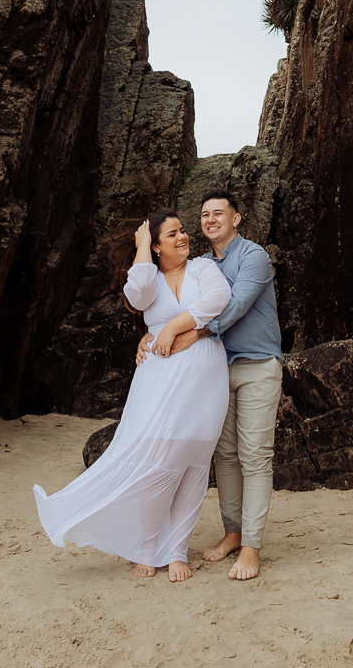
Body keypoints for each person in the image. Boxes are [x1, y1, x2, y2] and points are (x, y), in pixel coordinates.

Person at [34, 209, 231, 582]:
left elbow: (218, 299)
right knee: (155, 463)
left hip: (205, 377)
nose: (183, 237)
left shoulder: (205, 269)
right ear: (156, 246)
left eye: (183, 231)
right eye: (171, 234)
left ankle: (175, 551)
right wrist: (142, 248)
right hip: (159, 378)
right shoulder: (150, 277)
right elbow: (137, 295)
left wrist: (172, 326)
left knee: (193, 466)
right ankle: (146, 546)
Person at [137, 188, 282, 580]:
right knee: (225, 456)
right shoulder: (200, 263)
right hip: (216, 372)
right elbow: (175, 309)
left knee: (255, 455)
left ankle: (251, 548)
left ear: (236, 218)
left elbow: (234, 305)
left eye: (219, 213)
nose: (210, 219)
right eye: (204, 215)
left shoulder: (254, 256)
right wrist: (149, 334)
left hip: (255, 365)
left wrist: (196, 333)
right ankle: (233, 533)